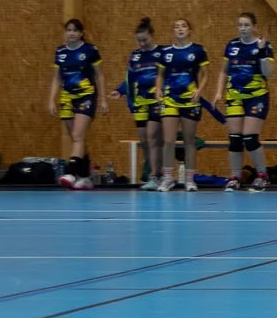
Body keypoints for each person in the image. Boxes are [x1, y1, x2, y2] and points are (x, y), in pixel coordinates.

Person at [205, 12, 275, 192]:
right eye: (240, 25)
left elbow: (268, 73)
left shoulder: (263, 45)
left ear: (254, 27)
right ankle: (235, 177)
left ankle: (262, 176)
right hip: (234, 96)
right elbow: (223, 71)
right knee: (235, 139)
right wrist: (219, 92)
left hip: (256, 96)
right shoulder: (232, 45)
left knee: (250, 138)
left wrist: (261, 51)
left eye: (246, 25)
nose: (243, 29)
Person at [151, 18, 209, 192]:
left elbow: (206, 74)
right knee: (168, 140)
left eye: (183, 26)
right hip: (169, 99)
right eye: (176, 27)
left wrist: (199, 91)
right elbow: (160, 74)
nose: (180, 29)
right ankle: (168, 178)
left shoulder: (198, 50)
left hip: (189, 100)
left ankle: (189, 180)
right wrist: (158, 89)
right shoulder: (166, 52)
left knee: (189, 140)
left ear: (189, 30)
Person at [47, 18, 105, 191]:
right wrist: (51, 99)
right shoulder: (60, 52)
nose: (71, 33)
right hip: (67, 98)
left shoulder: (90, 50)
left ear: (81, 33)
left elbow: (99, 76)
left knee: (78, 136)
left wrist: (102, 99)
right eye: (68, 30)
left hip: (86, 96)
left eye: (75, 30)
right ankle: (86, 177)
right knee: (75, 138)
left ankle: (71, 172)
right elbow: (57, 78)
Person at [111, 16, 163, 190]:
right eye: (138, 41)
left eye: (145, 40)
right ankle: (153, 173)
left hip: (156, 100)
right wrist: (120, 90)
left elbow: (167, 75)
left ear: (152, 36)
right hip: (140, 101)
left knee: (152, 136)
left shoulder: (162, 53)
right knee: (144, 140)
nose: (141, 44)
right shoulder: (135, 56)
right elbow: (130, 78)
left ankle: (157, 175)